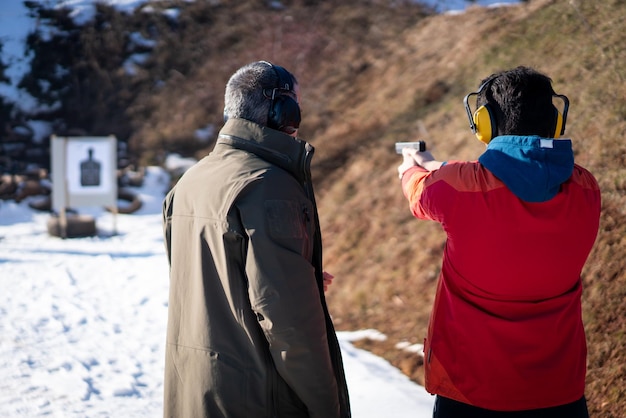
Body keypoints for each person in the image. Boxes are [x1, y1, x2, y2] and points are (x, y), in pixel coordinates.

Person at [397, 66, 600, 417]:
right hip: (559, 389)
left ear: (485, 122)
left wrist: (412, 168)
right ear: (555, 122)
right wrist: (439, 165)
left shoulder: (456, 185)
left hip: (470, 390)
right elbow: (516, 176)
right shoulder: (586, 188)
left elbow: (420, 192)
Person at [162, 61, 351, 418]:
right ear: (284, 112)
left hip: (196, 392)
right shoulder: (268, 187)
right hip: (258, 400)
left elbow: (210, 282)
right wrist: (329, 408)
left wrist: (297, 279)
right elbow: (288, 325)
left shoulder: (189, 181)